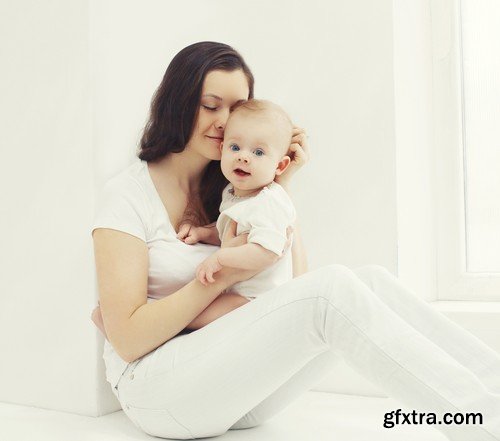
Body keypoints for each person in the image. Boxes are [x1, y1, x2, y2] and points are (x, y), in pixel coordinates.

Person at [91, 41, 500, 441]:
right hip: (157, 392)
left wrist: (277, 189)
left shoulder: (236, 188)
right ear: (177, 102)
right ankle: (482, 427)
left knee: (368, 282)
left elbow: (294, 294)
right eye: (211, 105)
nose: (225, 121)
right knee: (333, 289)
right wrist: (222, 272)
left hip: (232, 394)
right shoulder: (128, 195)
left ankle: (494, 397)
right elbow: (127, 339)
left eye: (237, 108)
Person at [192, 99, 297, 300]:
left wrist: (220, 258)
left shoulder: (269, 202)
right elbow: (232, 230)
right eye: (235, 147)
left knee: (194, 315)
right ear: (222, 149)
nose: (243, 157)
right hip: (240, 294)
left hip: (260, 299)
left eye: (258, 152)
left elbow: (267, 252)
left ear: (280, 166)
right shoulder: (233, 192)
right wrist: (203, 233)